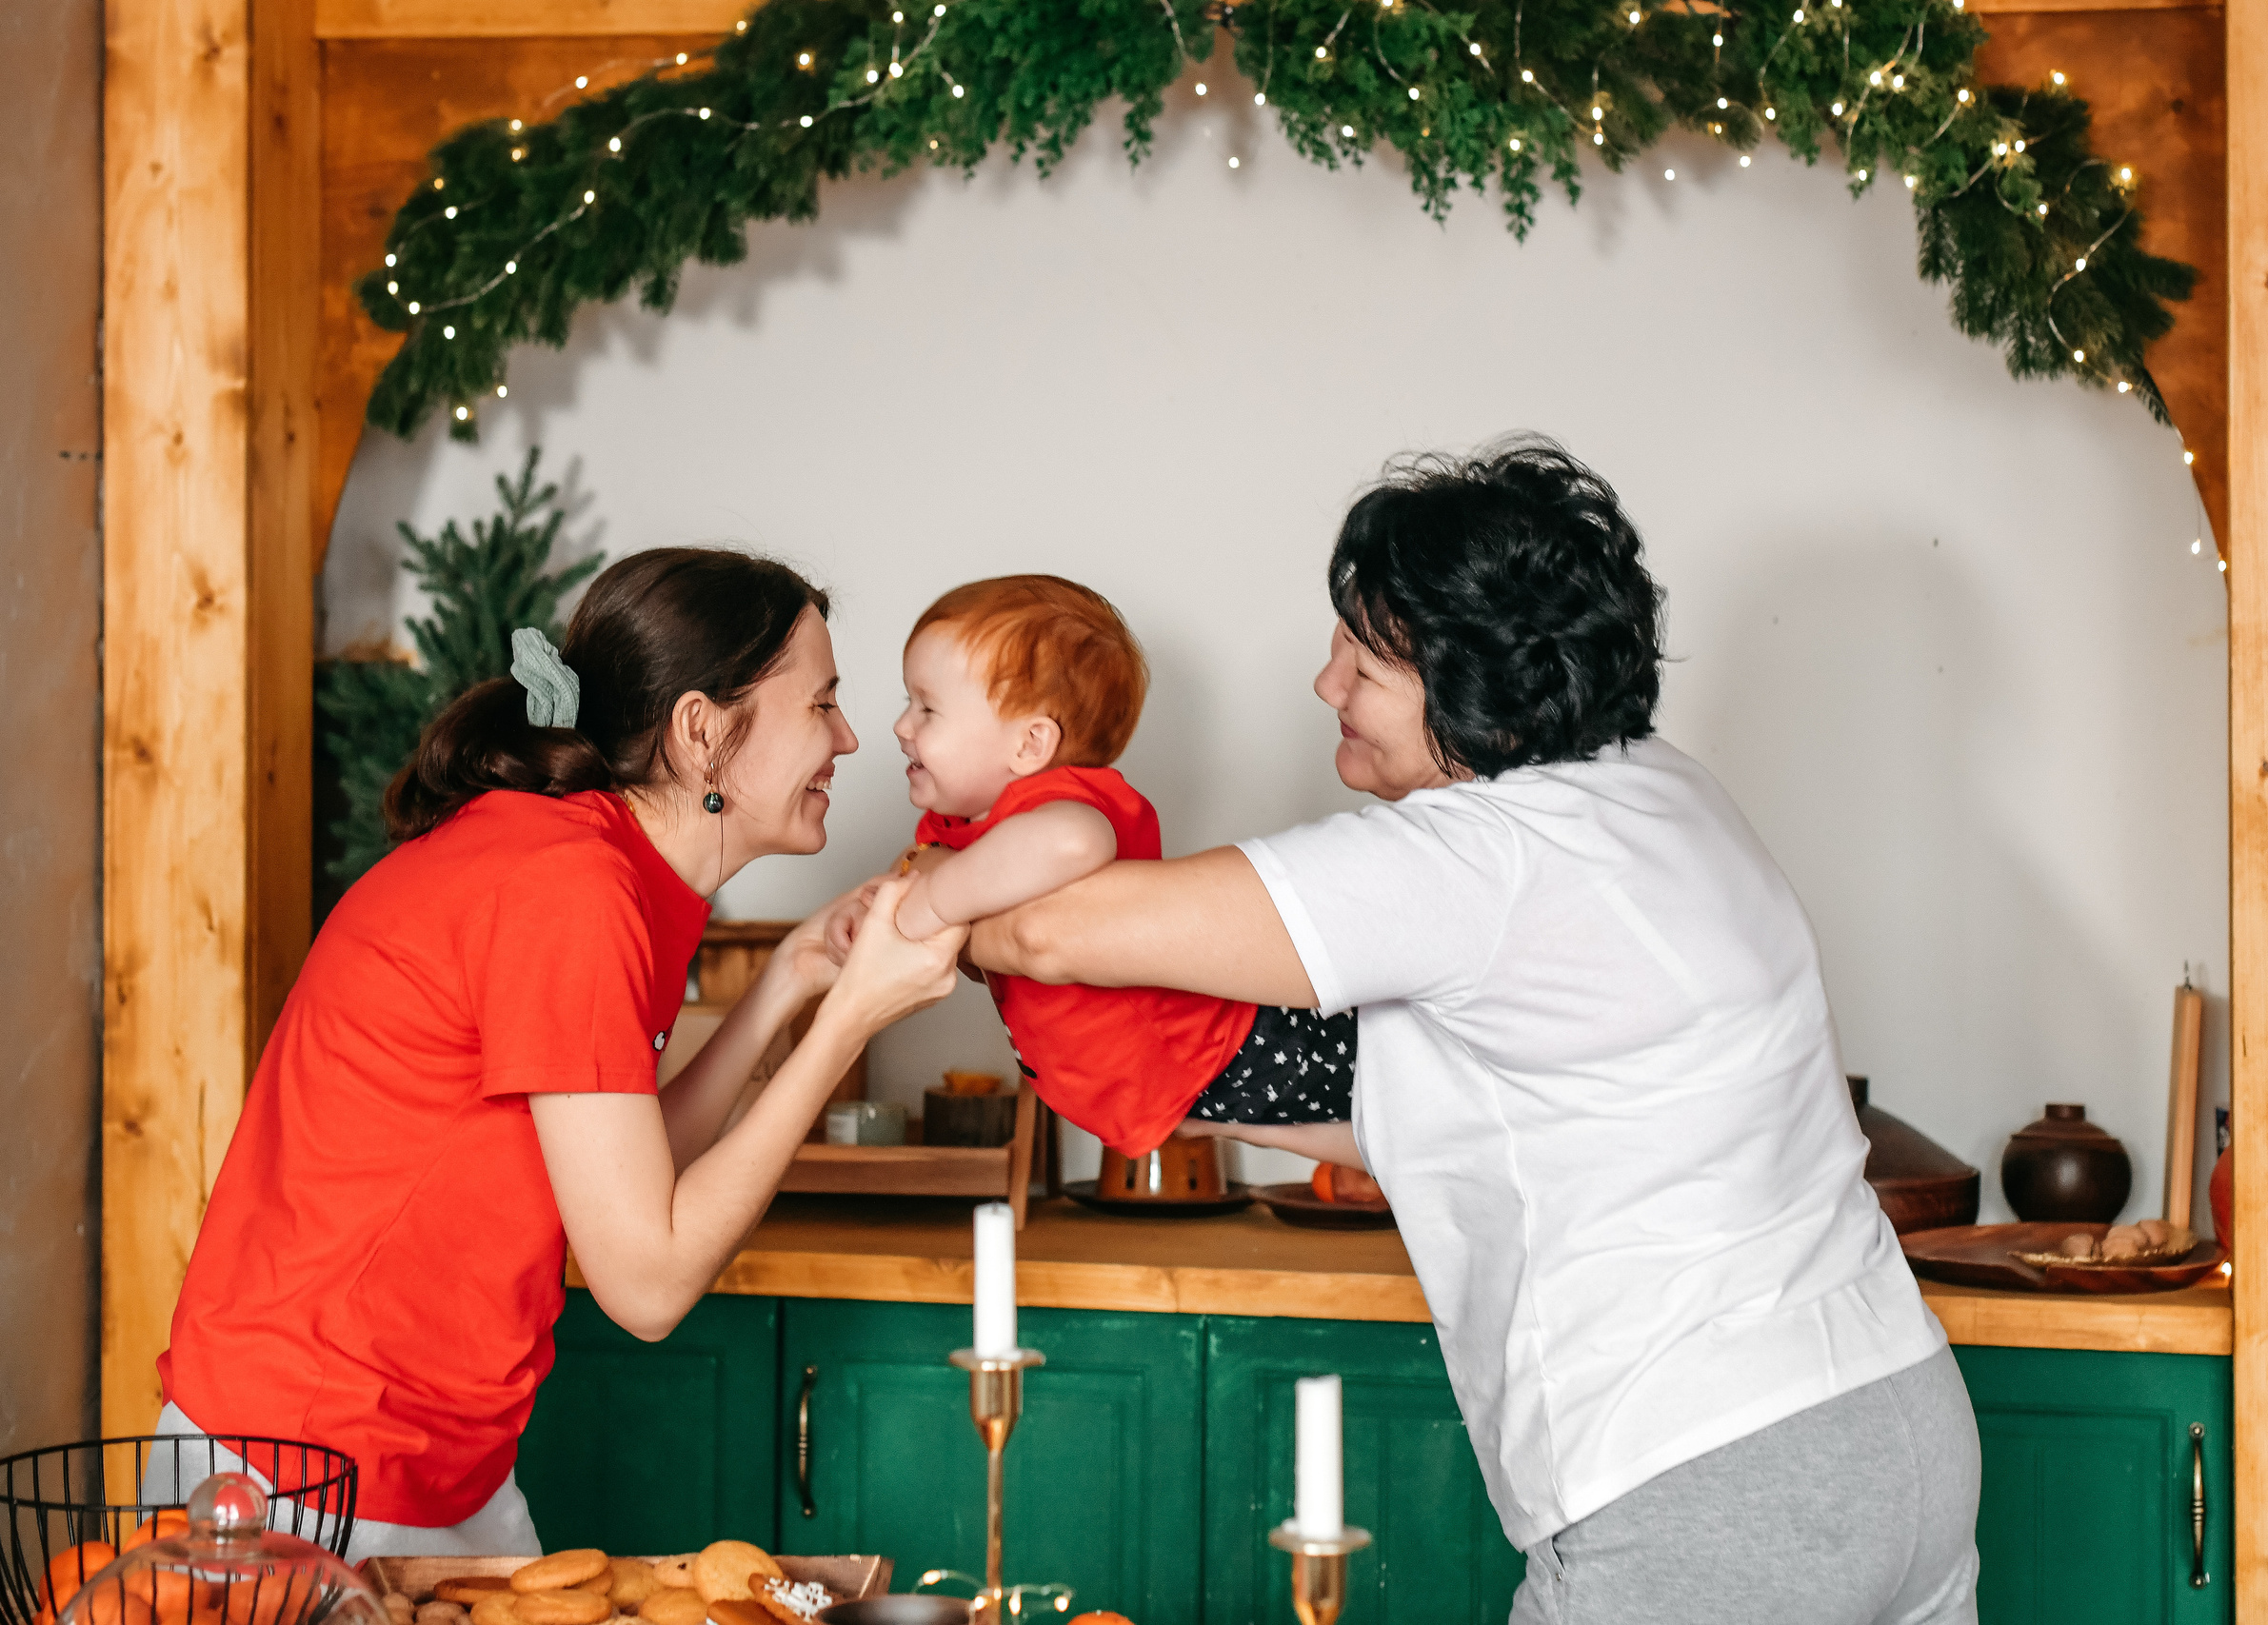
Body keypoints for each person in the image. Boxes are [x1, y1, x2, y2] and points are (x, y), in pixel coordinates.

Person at [965, 443, 1982, 1624]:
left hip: (1704, 1474)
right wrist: (1153, 1082)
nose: (1323, 683)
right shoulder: (1666, 791)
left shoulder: (1480, 857)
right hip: (1896, 1419)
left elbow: (1046, 932)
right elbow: (1482, 1119)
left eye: (1360, 656)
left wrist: (931, 896)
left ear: (1463, 677)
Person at [150, 548, 965, 1557]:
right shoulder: (566, 889)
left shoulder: (593, 865)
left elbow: (625, 1174)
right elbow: (648, 1284)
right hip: (310, 1464)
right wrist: (850, 1023)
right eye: (823, 703)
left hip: (420, 1455)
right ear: (702, 732)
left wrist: (797, 980)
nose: (850, 736)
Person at [827, 575, 1353, 1158]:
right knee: (1399, 1119)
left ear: (1030, 744)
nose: (903, 726)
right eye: (909, 702)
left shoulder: (1057, 804)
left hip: (1229, 1047)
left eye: (927, 707)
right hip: (1185, 1082)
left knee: (1402, 1081)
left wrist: (930, 902)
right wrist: (876, 911)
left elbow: (1075, 843)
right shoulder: (960, 834)